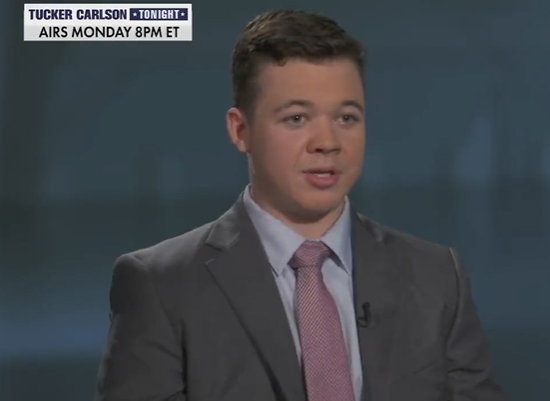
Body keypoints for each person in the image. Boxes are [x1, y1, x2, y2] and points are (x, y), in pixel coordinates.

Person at [94, 9, 507, 401]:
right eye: (296, 118)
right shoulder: (161, 286)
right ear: (241, 130)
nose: (327, 142)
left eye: (346, 118)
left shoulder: (437, 277)